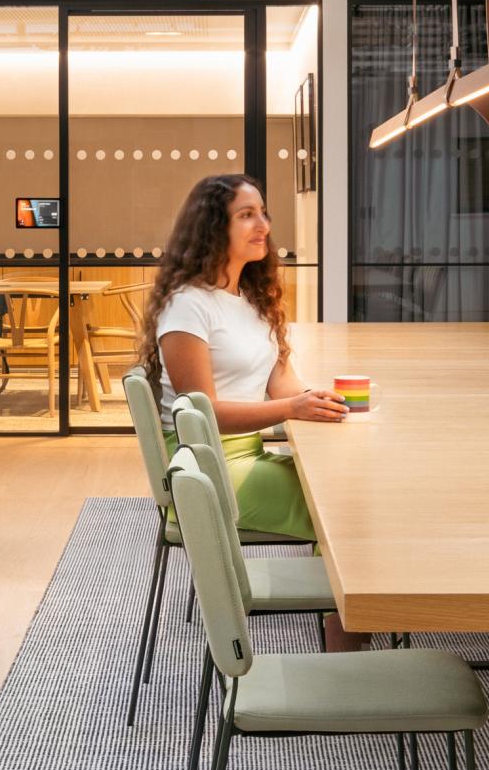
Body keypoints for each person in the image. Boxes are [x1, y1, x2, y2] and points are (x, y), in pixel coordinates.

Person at [142, 169, 348, 567]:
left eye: (264, 213)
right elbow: (204, 415)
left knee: (347, 488)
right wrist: (293, 409)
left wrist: (318, 399)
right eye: (246, 215)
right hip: (205, 469)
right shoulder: (188, 306)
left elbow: (281, 382)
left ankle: (350, 615)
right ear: (213, 228)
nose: (263, 226)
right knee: (340, 507)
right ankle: (347, 623)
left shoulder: (251, 298)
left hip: (245, 455)